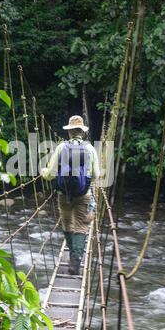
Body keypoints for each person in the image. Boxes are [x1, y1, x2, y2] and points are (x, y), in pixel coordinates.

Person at [41, 115, 100, 275]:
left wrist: (43, 172)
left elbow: (51, 173)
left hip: (64, 194)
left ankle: (73, 251)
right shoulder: (90, 149)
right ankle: (75, 261)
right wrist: (85, 181)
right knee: (81, 226)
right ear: (83, 132)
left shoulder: (61, 147)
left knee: (67, 224)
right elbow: (96, 174)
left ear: (69, 132)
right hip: (83, 193)